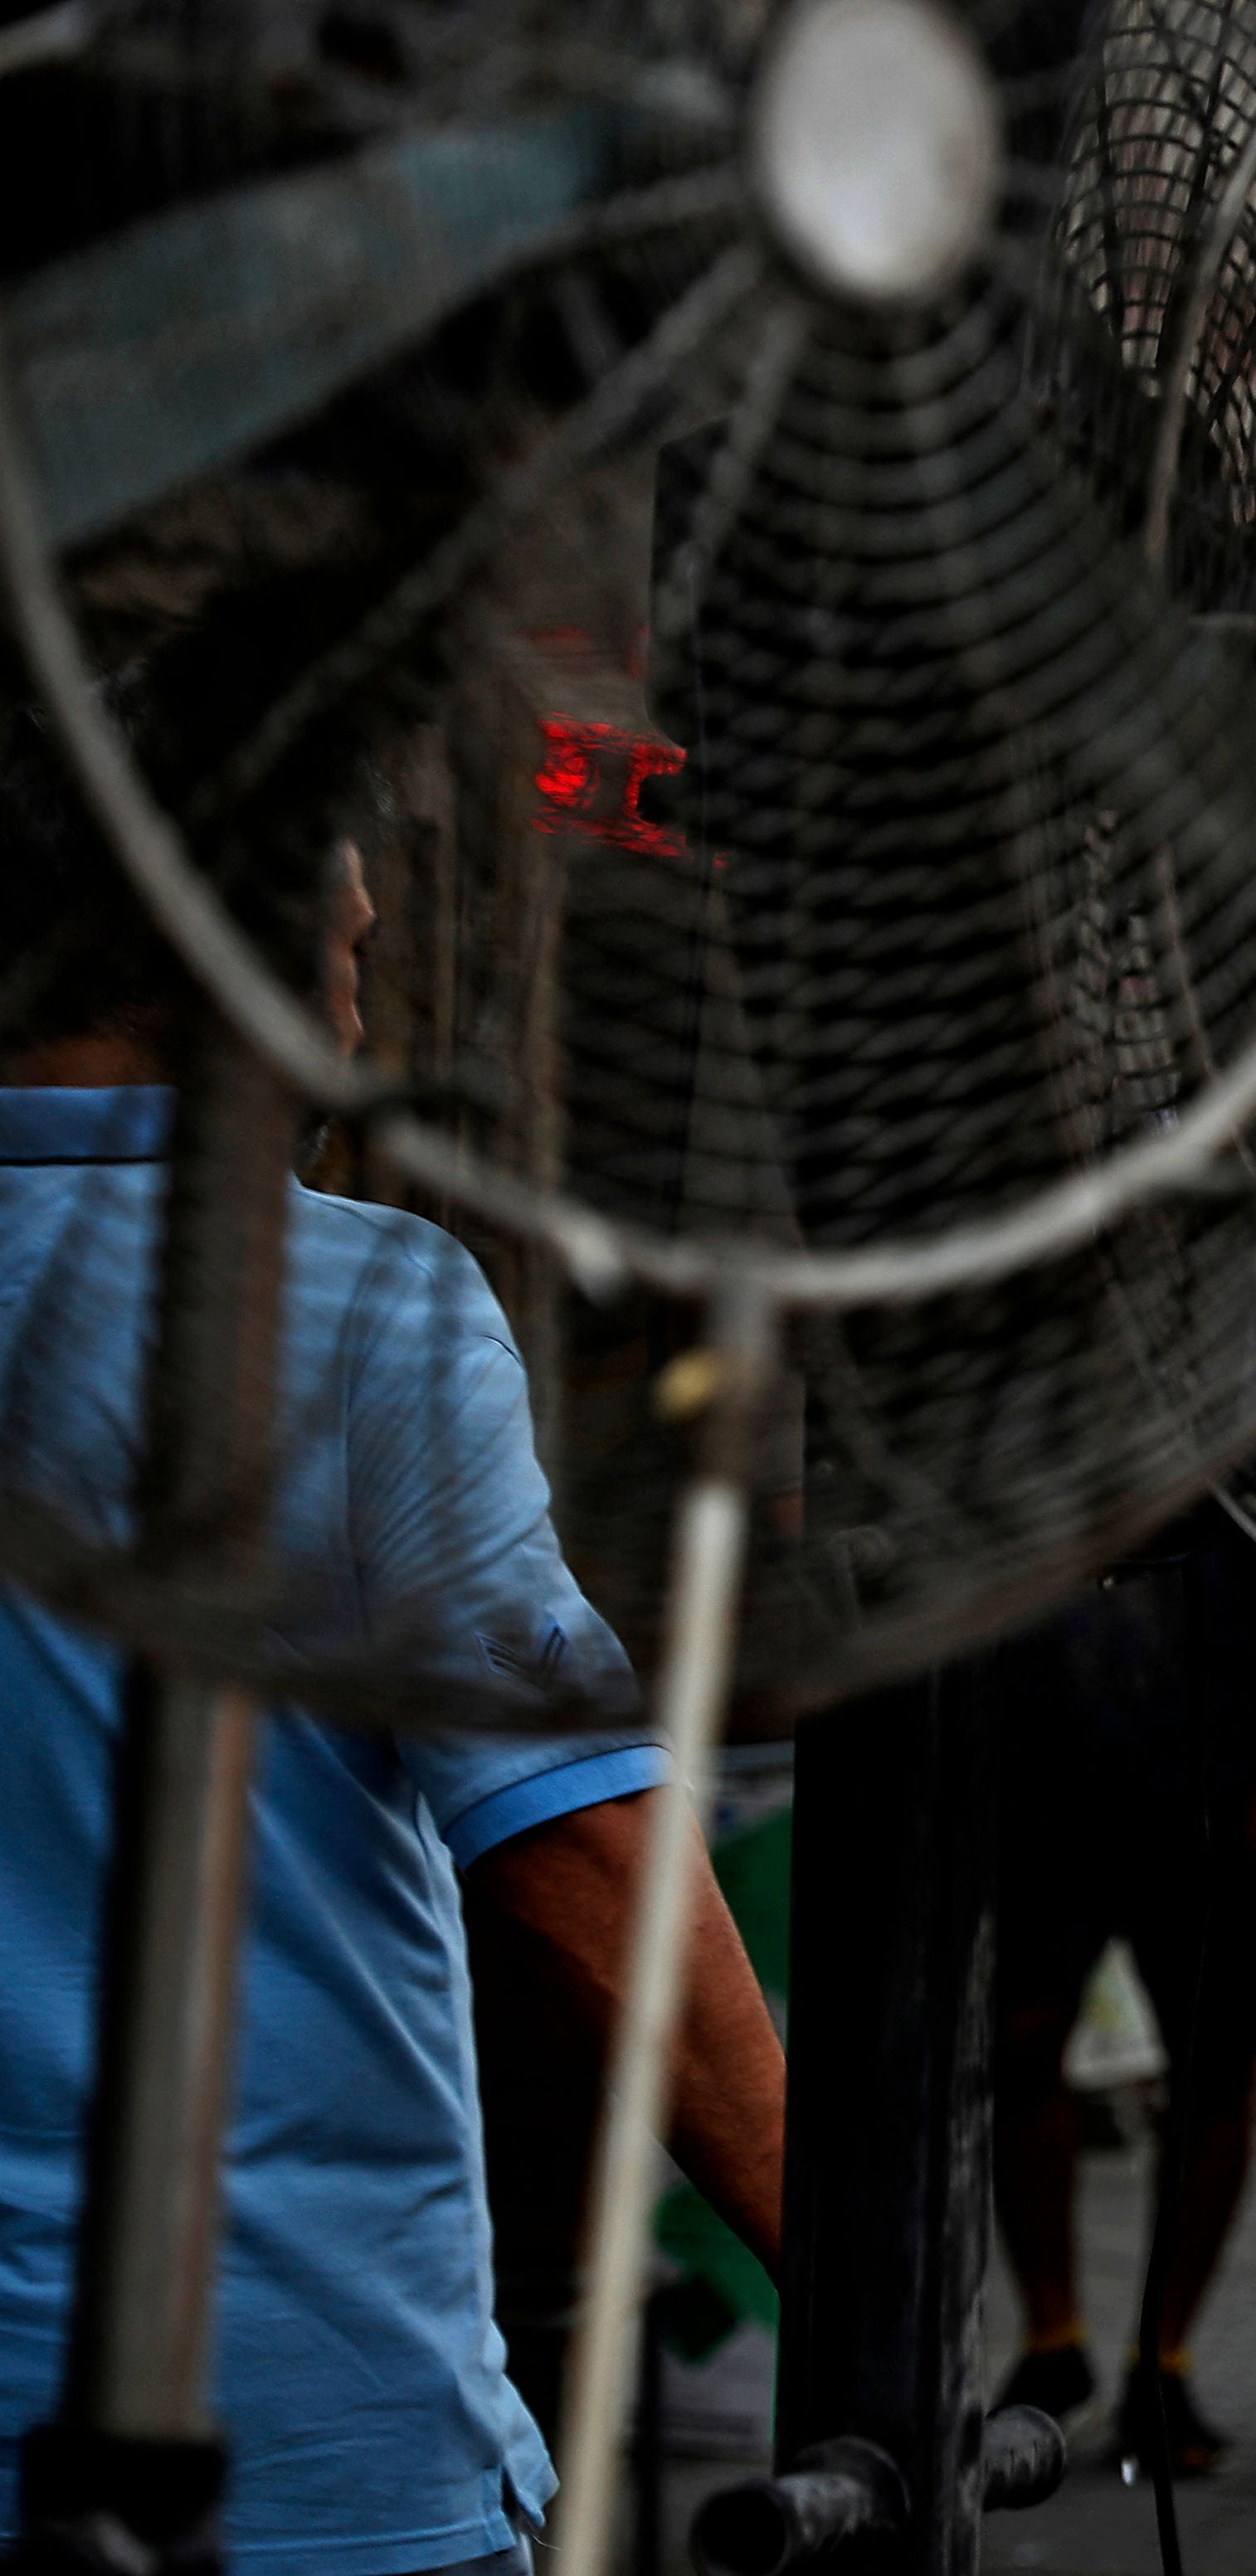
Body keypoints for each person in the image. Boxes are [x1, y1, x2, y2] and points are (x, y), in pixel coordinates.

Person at [0, 794, 787, 2576]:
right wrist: (862, 2272)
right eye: (349, 959)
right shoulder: (363, 1308)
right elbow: (582, 1858)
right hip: (293, 2429)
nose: (361, 1015)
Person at [982, 1517, 1256, 2476]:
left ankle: (1164, 2353)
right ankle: (1053, 2336)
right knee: (1020, 2033)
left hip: (1222, 1747)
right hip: (1053, 1743)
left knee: (1216, 2063)